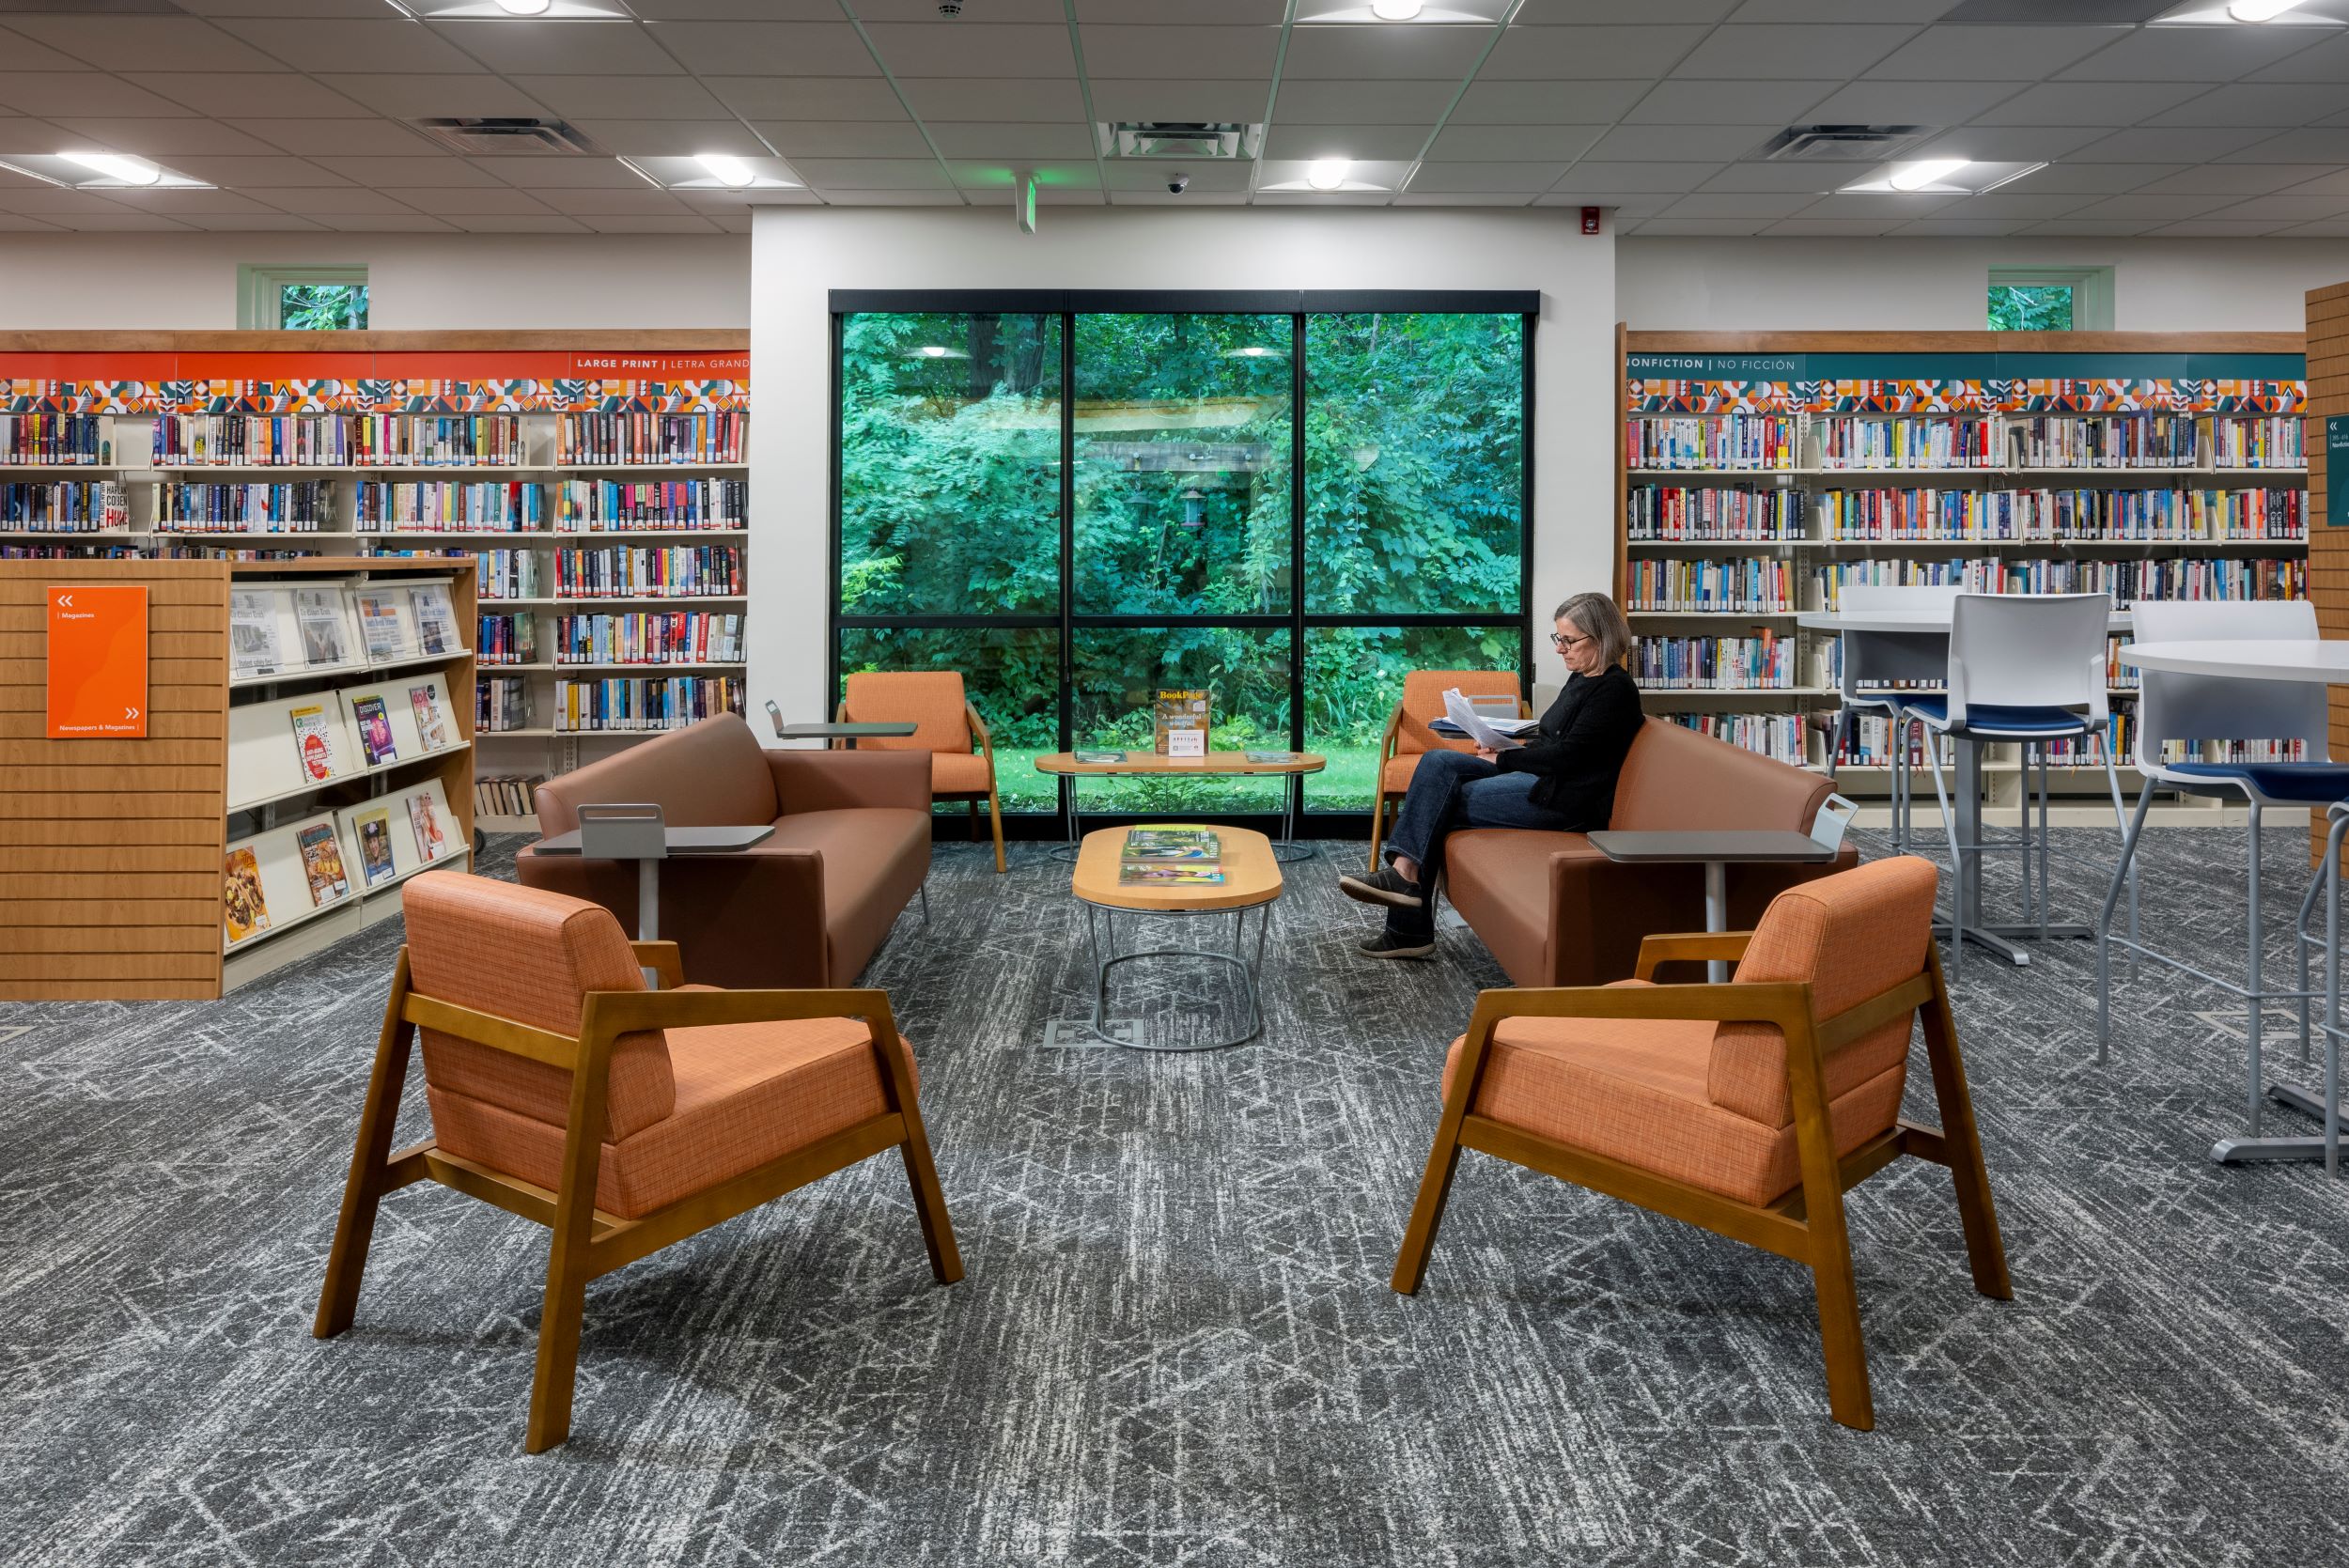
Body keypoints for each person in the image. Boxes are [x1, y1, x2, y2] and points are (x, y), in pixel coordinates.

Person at [1340, 591, 1643, 959]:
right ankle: (1404, 879)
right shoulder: (1582, 677)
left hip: (1563, 802)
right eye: (1558, 639)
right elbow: (1554, 741)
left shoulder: (1614, 690)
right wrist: (1507, 747)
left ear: (1602, 637)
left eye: (1569, 640)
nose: (1560, 649)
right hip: (1544, 782)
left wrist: (1506, 760)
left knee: (1438, 802)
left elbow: (1569, 757)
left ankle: (1407, 923)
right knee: (1437, 762)